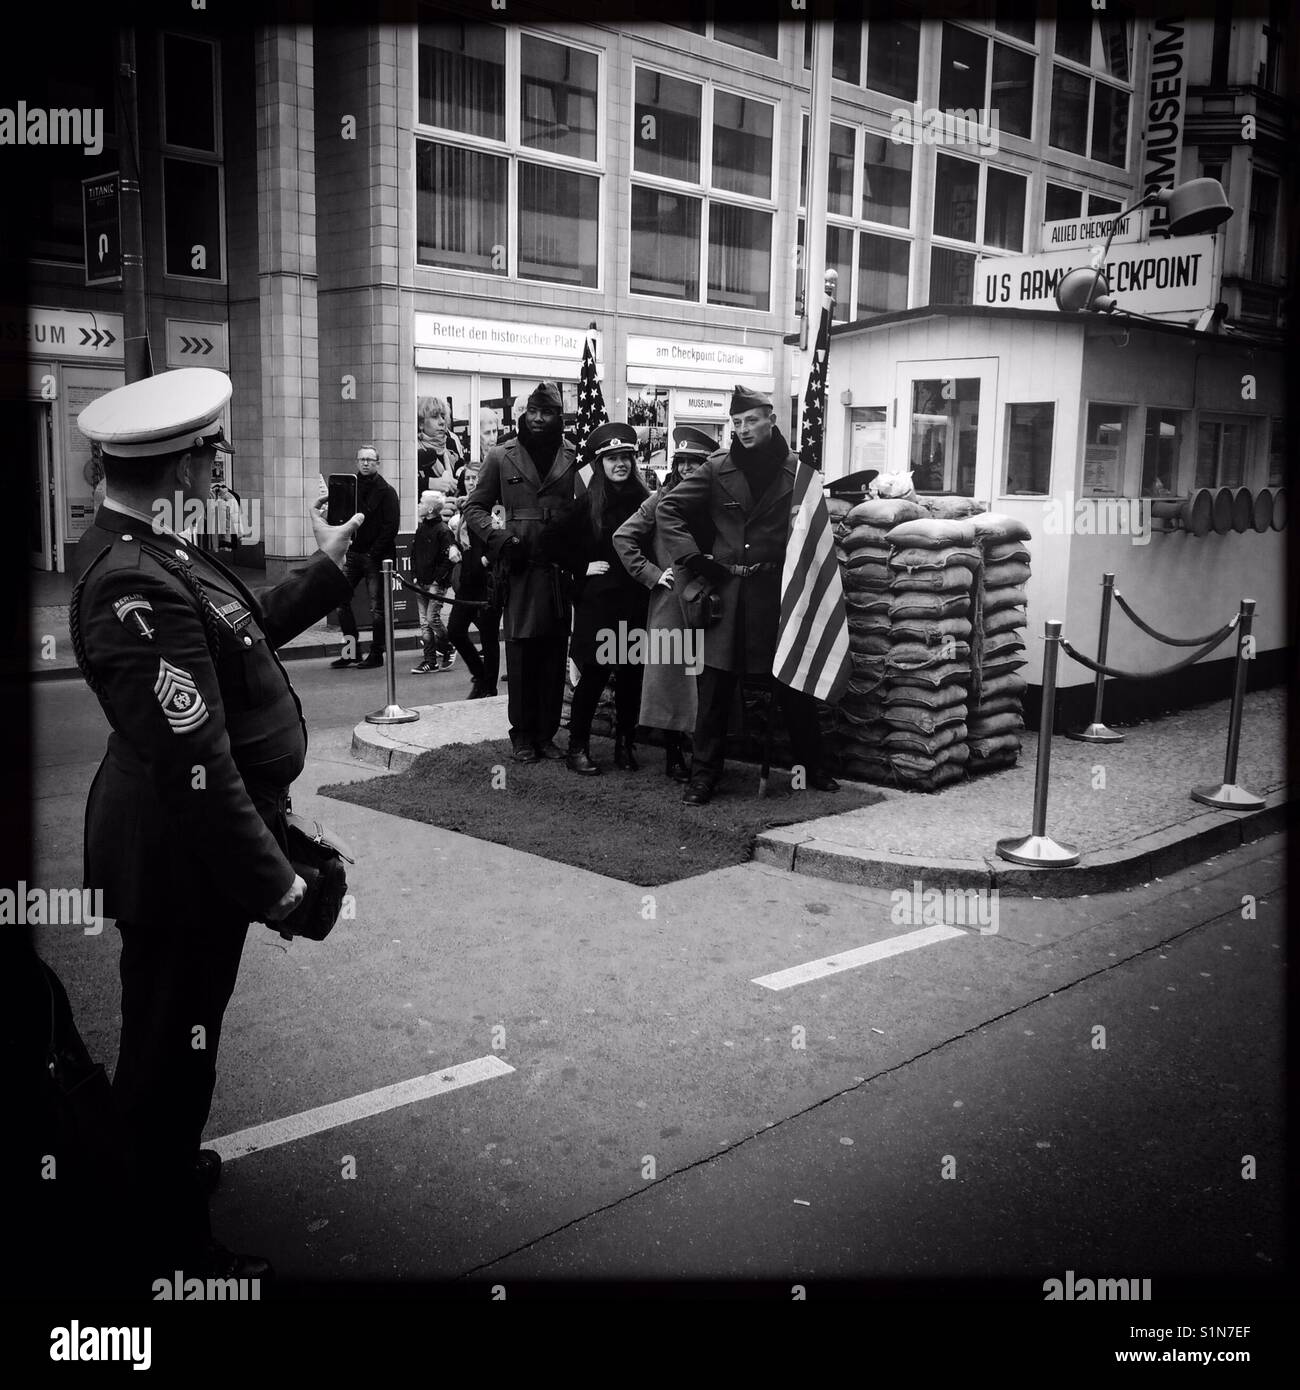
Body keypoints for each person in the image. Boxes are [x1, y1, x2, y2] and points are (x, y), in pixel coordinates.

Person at [69, 366, 362, 1285]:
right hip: (179, 860)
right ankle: (162, 1249)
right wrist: (274, 885)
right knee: (168, 1053)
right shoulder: (134, 582)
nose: (220, 462)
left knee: (180, 1038)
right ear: (186, 465)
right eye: (213, 450)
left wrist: (327, 567)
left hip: (190, 855)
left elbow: (245, 632)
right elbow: (198, 771)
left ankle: (151, 1175)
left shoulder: (161, 548)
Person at [655, 385, 839, 805]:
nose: (743, 429)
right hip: (728, 593)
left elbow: (812, 528)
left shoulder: (797, 471)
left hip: (776, 591)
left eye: (751, 420)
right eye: (737, 423)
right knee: (715, 688)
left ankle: (811, 766)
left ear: (771, 419)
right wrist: (693, 558)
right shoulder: (717, 467)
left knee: (792, 682)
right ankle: (703, 776)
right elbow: (669, 509)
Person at [464, 382, 578, 761]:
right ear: (523, 414)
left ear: (558, 417)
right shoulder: (501, 455)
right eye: (533, 412)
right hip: (520, 567)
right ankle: (522, 736)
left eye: (547, 413)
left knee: (553, 653)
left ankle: (546, 735)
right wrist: (500, 540)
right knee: (522, 654)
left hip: (558, 568)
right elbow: (474, 509)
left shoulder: (573, 455)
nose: (539, 420)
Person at [540, 422, 650, 775]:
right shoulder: (588, 504)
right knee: (596, 677)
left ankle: (624, 745)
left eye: (627, 457)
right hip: (600, 604)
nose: (621, 464)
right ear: (600, 463)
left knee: (632, 678)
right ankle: (578, 746)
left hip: (635, 602)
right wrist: (581, 566)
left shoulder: (646, 501)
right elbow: (548, 542)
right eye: (613, 458)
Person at [612, 426, 716, 781]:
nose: (687, 469)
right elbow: (623, 536)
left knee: (708, 677)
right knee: (674, 678)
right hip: (672, 599)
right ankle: (674, 756)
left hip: (711, 596)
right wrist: (652, 575)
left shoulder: (718, 499)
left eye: (695, 462)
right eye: (682, 461)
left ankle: (706, 756)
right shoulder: (661, 499)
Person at [329, 444, 399, 669]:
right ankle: (350, 652)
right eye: (362, 460)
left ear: (378, 463)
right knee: (340, 600)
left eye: (370, 459)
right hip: (353, 553)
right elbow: (338, 517)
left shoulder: (387, 491)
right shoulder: (350, 487)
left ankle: (376, 654)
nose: (366, 463)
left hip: (375, 557)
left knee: (377, 609)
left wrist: (373, 553)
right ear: (357, 462)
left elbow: (391, 527)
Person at [448, 479, 501, 698]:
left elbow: (502, 540)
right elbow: (457, 537)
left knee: (489, 636)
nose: (471, 483)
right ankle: (480, 676)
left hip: (488, 579)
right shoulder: (465, 507)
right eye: (468, 478)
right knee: (455, 630)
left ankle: (489, 687)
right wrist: (451, 547)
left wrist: (485, 561)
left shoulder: (497, 507)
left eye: (476, 479)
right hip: (467, 580)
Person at [410, 491, 458, 675]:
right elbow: (414, 553)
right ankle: (430, 661)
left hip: (435, 584)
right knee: (425, 623)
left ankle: (447, 647)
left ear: (430, 509)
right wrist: (415, 575)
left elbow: (447, 559)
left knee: (432, 619)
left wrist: (437, 580)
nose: (419, 505)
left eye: (421, 503)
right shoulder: (421, 528)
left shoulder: (443, 531)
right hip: (421, 581)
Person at [417, 396, 463, 495]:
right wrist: (429, 483)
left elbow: (462, 472)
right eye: (435, 417)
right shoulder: (413, 448)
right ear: (421, 423)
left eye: (442, 416)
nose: (442, 422)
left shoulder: (450, 443)